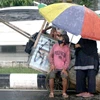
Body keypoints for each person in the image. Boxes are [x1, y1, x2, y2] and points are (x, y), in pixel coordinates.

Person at [48, 31, 70, 98]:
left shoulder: (67, 48)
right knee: (51, 76)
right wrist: (52, 64)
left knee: (65, 77)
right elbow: (50, 55)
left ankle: (64, 93)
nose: (59, 39)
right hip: (54, 67)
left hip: (62, 68)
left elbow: (68, 60)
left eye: (61, 38)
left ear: (64, 41)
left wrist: (64, 69)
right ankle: (51, 92)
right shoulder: (55, 46)